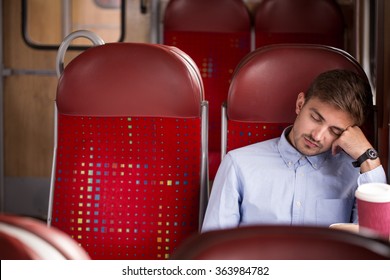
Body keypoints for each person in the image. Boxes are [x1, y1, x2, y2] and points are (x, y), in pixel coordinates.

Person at [201, 69, 387, 232]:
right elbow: (214, 252)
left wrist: (368, 156)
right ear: (300, 104)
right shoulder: (238, 165)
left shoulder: (355, 175)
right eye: (315, 118)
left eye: (335, 131)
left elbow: (375, 246)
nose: (317, 135)